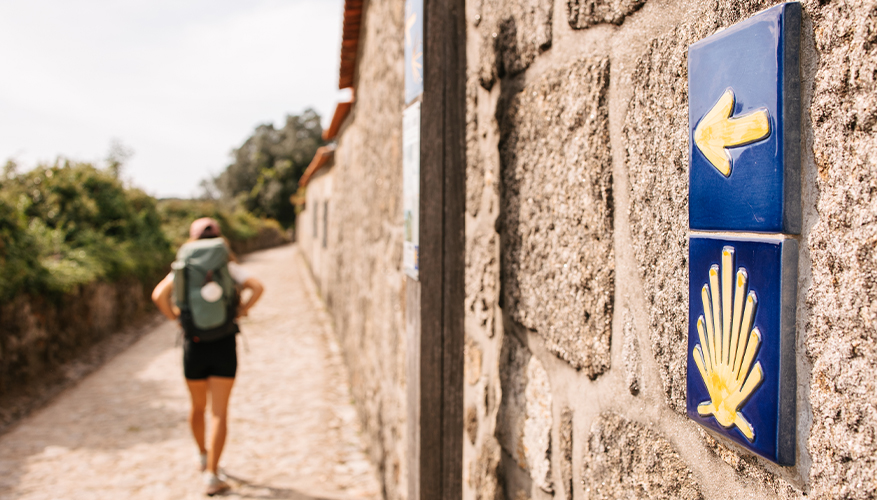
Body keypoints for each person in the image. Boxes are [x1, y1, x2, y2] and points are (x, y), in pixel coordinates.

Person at [151, 217, 264, 496]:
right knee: (219, 412)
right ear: (218, 237)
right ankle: (213, 474)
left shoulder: (185, 264)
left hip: (195, 343)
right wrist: (241, 311)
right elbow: (258, 287)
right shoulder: (226, 263)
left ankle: (203, 455)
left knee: (197, 407)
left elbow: (158, 295)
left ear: (191, 238)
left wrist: (177, 319)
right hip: (224, 343)